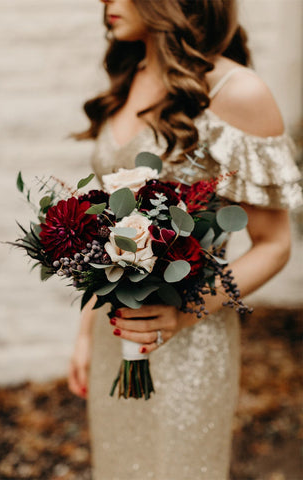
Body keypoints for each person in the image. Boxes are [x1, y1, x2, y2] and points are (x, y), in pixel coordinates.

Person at [68, 1, 302, 478]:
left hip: (193, 334)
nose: (107, 1)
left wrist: (183, 311)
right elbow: (111, 238)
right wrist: (85, 335)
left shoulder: (236, 91)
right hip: (117, 332)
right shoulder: (131, 74)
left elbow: (274, 244)